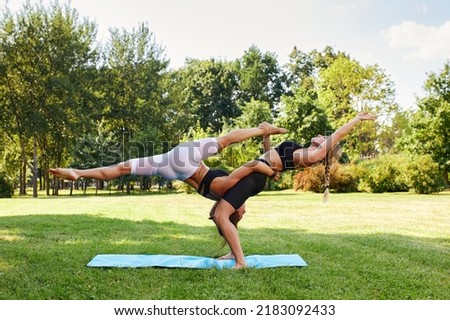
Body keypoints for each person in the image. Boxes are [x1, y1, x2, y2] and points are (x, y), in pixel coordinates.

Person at [209, 112, 377, 269]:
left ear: (327, 148)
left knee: (220, 214)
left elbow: (338, 135)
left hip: (255, 177)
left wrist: (357, 119)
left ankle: (240, 261)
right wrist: (266, 135)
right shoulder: (302, 150)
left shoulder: (312, 156)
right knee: (217, 213)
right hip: (255, 171)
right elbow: (270, 155)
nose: (322, 135)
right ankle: (234, 252)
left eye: (325, 138)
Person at [50, 123, 286, 200]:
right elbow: (251, 168)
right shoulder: (225, 193)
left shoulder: (223, 191)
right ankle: (262, 128)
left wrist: (81, 172)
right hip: (177, 167)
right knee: (223, 141)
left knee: (121, 168)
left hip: (168, 162)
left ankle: (78, 173)